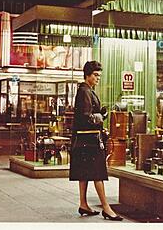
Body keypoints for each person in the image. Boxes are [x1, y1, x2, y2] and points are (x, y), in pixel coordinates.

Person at [69, 60, 123, 221]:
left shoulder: (86, 90)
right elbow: (86, 117)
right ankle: (106, 208)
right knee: (98, 173)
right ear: (87, 75)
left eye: (99, 75)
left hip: (86, 138)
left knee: (84, 173)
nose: (98, 78)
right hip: (90, 140)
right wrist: (102, 116)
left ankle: (83, 204)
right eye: (95, 75)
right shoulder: (85, 92)